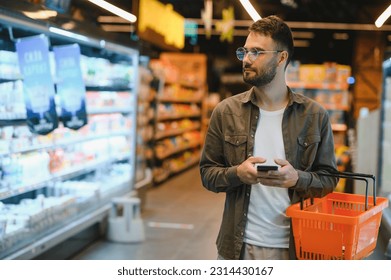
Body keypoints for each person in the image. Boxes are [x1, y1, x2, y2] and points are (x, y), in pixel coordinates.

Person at [199, 15, 338, 260]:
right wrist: (237, 174)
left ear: (282, 57)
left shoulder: (314, 115)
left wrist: (297, 179)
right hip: (237, 248)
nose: (247, 59)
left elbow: (329, 179)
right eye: (244, 51)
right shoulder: (226, 111)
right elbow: (208, 173)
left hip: (295, 248)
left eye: (257, 52)